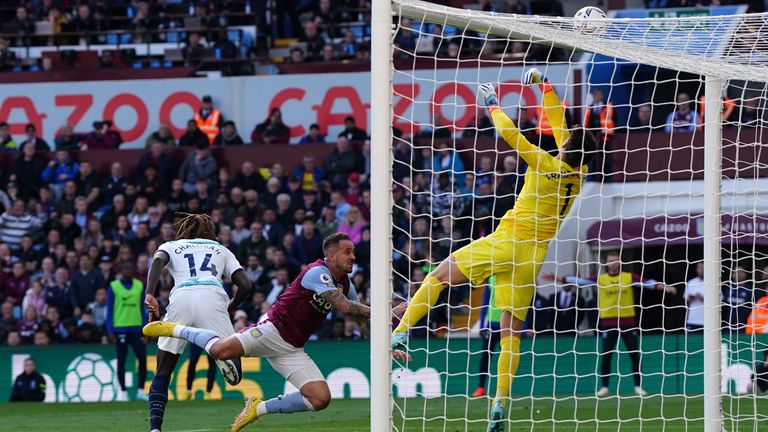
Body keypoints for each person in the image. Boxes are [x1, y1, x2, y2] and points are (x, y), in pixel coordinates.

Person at [390, 68, 598, 432]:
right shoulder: (578, 174)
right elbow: (563, 126)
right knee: (510, 334)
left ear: (565, 147)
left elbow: (511, 135)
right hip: (534, 257)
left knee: (437, 276)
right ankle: (500, 401)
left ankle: (402, 331)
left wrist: (492, 104)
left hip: (507, 241)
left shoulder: (545, 162)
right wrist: (545, 87)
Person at [142, 233, 401, 432]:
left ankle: (258, 408)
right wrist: (387, 312)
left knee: (320, 398)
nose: (353, 257)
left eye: (353, 252)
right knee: (221, 350)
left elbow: (358, 317)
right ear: (331, 256)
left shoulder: (344, 283)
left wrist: (387, 343)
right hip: (271, 331)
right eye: (348, 252)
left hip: (293, 348)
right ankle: (175, 328)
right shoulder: (316, 273)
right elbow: (344, 305)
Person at [142, 213, 250, 432]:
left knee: (163, 371)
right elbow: (246, 285)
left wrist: (150, 293)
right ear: (211, 231)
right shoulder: (222, 250)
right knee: (234, 371)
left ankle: (155, 428)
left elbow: (157, 262)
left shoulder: (171, 245)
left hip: (180, 298)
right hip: (212, 296)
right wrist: (229, 305)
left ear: (184, 230)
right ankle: (223, 357)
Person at [545, 251, 676, 399]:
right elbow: (579, 281)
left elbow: (646, 283)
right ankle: (605, 387)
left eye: (616, 261)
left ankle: (638, 386)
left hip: (628, 321)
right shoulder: (600, 279)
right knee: (607, 355)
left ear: (620, 263)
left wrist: (665, 287)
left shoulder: (628, 277)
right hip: (609, 322)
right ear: (606, 264)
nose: (613, 263)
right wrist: (558, 278)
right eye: (611, 261)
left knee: (634, 355)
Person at [107, 261, 148, 402]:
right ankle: (123, 391)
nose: (128, 270)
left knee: (142, 359)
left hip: (137, 328)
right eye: (125, 268)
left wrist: (145, 328)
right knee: (121, 361)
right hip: (120, 329)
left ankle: (141, 390)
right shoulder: (114, 286)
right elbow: (110, 309)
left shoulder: (139, 285)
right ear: (121, 270)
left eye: (130, 267)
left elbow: (144, 308)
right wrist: (110, 330)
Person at [472, 276, 502, 398]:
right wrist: (482, 325)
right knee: (485, 355)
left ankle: (503, 388)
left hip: (508, 324)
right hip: (492, 324)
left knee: (506, 356)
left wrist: (524, 326)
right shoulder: (492, 278)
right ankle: (481, 387)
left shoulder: (512, 276)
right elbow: (485, 301)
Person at [684, 262, 705, 331]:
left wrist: (703, 298)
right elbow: (685, 301)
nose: (702, 270)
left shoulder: (713, 282)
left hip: (708, 321)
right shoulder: (691, 282)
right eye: (700, 268)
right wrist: (693, 297)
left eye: (703, 268)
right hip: (692, 320)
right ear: (696, 269)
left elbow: (720, 301)